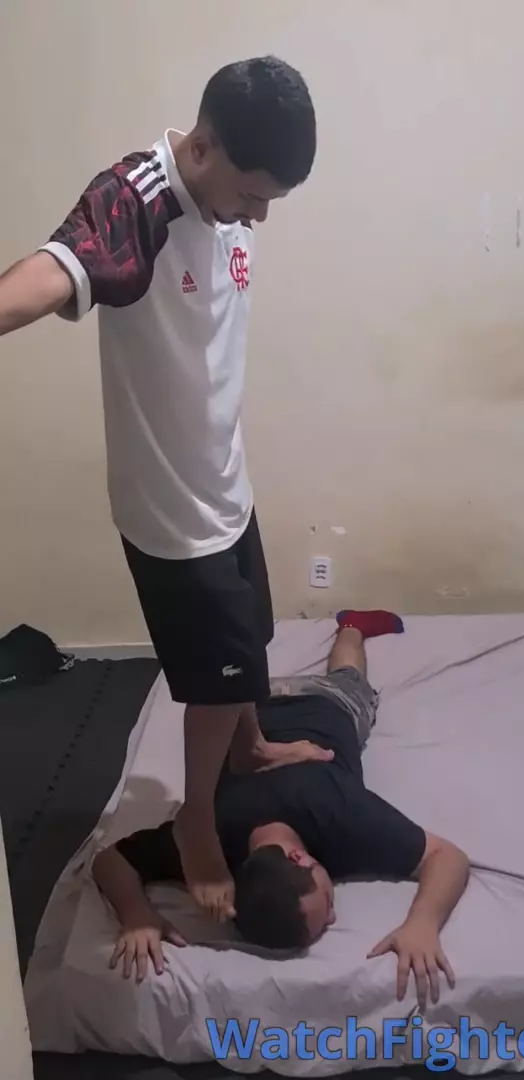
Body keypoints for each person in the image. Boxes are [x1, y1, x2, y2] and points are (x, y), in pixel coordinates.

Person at [0, 56, 330, 922]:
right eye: (252, 196)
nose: (259, 217)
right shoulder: (134, 201)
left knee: (248, 642)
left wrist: (245, 200)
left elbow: (229, 248)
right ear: (204, 148)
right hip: (171, 509)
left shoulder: (229, 190)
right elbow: (45, 276)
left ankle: (249, 751)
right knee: (215, 679)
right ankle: (194, 822)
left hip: (224, 479)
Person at [93, 609, 470, 1010]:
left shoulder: (339, 815)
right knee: (236, 678)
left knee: (349, 677)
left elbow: (447, 856)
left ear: (299, 858)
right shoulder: (209, 851)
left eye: (327, 902)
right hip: (246, 706)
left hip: (325, 702)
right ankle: (346, 631)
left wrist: (424, 923)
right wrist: (136, 915)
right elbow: (110, 861)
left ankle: (352, 626)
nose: (334, 918)